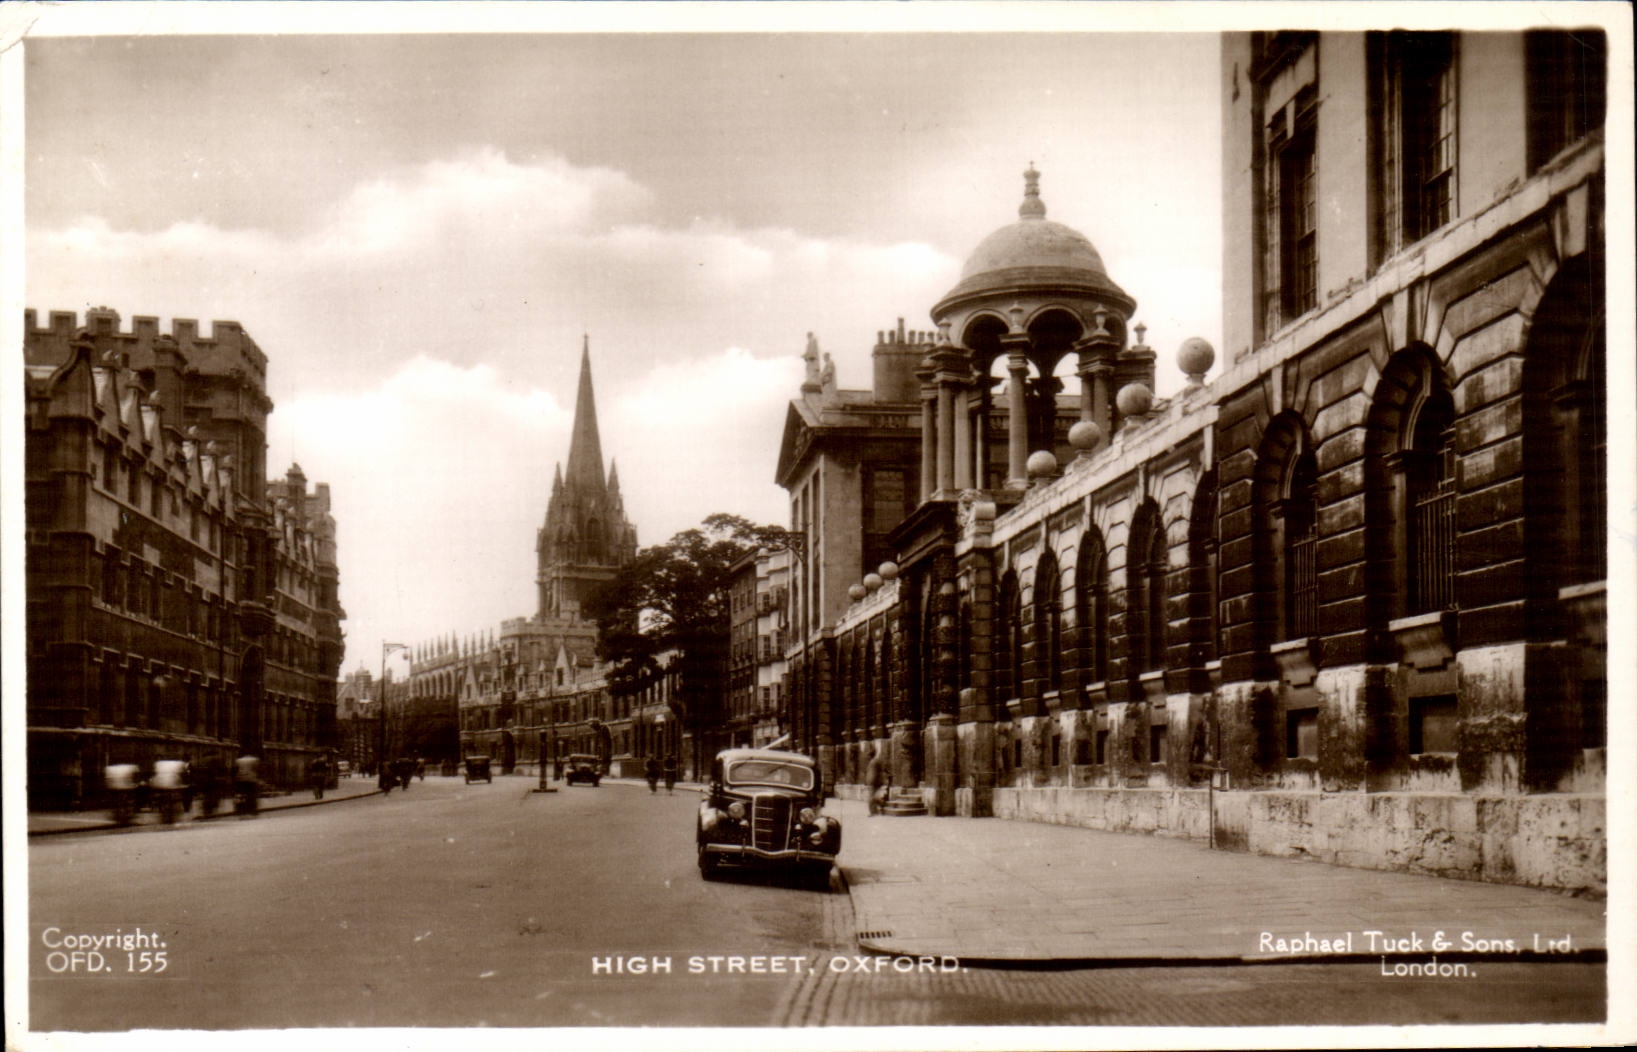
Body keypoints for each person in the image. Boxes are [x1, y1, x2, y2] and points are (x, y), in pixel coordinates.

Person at [866, 748, 885, 816]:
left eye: (868, 755)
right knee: (873, 797)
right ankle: (880, 804)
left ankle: (873, 812)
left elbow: (872, 773)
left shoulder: (873, 762)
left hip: (873, 782)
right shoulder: (875, 761)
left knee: (871, 797)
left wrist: (870, 781)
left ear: (870, 755)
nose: (867, 757)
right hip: (875, 782)